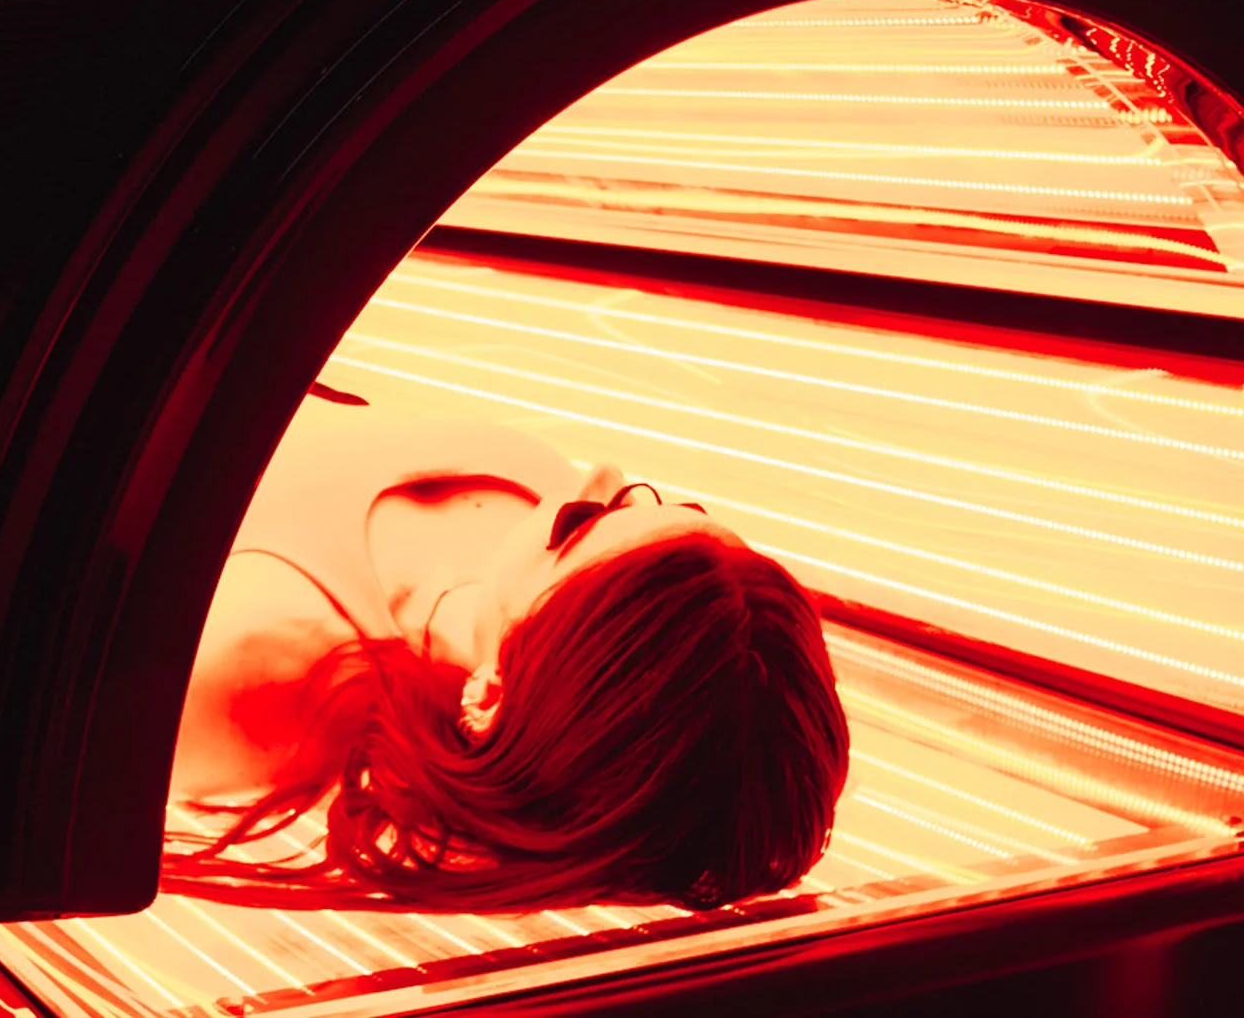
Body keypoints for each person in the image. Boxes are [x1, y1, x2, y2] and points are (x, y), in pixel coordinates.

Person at [162, 386, 850, 913]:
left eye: (582, 524)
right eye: (667, 504)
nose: (597, 475)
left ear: (490, 693)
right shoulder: (530, 489)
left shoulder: (256, 683)